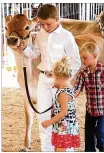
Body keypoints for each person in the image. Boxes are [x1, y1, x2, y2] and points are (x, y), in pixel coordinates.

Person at [18, 4, 81, 151]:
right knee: (43, 118)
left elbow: (75, 61)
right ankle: (46, 150)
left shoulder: (67, 36)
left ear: (57, 19)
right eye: (42, 24)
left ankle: (67, 149)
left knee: (63, 117)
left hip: (61, 82)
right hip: (44, 80)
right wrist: (24, 48)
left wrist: (64, 79)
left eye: (48, 24)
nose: (45, 27)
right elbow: (35, 53)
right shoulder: (40, 34)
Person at [42, 56, 80, 152]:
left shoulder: (63, 93)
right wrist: (59, 86)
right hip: (66, 125)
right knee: (59, 147)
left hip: (64, 126)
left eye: (53, 76)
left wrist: (49, 122)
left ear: (57, 76)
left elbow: (63, 112)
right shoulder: (69, 88)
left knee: (60, 149)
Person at [74, 42, 104, 152]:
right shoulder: (83, 73)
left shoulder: (103, 72)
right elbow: (77, 89)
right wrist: (66, 96)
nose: (83, 60)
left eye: (85, 58)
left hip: (102, 111)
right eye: (82, 58)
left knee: (101, 135)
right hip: (90, 110)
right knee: (89, 135)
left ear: (95, 56)